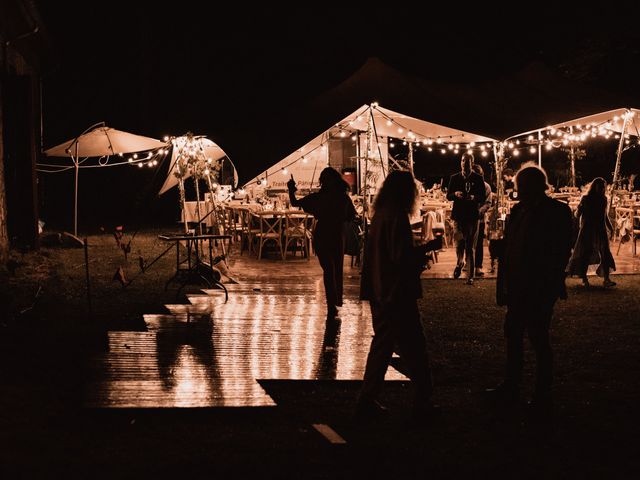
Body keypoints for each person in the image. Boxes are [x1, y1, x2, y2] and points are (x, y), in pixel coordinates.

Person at [489, 163, 573, 416]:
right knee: (513, 334)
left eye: (522, 187)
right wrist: (501, 250)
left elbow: (560, 249)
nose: (519, 192)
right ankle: (511, 385)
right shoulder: (517, 212)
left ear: (535, 186)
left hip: (539, 284)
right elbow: (513, 243)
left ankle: (542, 393)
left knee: (538, 337)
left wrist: (551, 280)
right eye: (518, 187)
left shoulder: (557, 211)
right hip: (516, 282)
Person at [356, 170, 437, 423]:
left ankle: (367, 399)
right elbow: (401, 257)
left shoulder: (381, 215)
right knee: (415, 347)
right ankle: (422, 401)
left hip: (381, 290)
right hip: (396, 292)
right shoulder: (397, 217)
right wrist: (427, 249)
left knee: (383, 346)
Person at [288, 167, 357, 319]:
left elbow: (295, 203)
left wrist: (291, 189)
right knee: (336, 268)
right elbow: (352, 216)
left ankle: (331, 304)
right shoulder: (343, 198)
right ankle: (335, 302)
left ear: (323, 182)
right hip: (337, 235)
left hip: (322, 234)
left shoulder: (318, 198)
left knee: (328, 270)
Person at [566, 177, 616, 288]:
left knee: (605, 252)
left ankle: (606, 279)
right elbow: (578, 215)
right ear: (594, 186)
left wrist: (610, 227)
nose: (602, 188)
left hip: (600, 228)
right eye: (600, 186)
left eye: (603, 187)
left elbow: (604, 215)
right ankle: (584, 278)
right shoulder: (586, 198)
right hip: (587, 228)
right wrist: (578, 210)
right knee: (585, 253)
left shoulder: (604, 199)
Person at [446, 152, 487, 284]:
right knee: (458, 242)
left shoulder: (478, 178)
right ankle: (460, 262)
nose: (465, 164)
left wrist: (473, 197)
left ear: (472, 163)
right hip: (458, 216)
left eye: (468, 162)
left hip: (472, 217)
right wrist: (455, 194)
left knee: (470, 247)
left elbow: (482, 196)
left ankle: (470, 276)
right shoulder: (454, 178)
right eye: (463, 161)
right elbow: (448, 196)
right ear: (461, 162)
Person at [472, 164, 493, 277]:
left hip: (479, 219)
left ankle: (478, 266)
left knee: (479, 243)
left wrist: (479, 211)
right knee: (467, 242)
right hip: (467, 218)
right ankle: (468, 263)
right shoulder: (467, 185)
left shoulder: (486, 187)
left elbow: (488, 203)